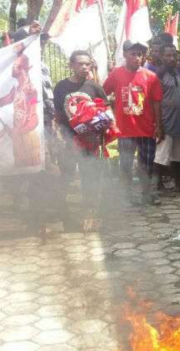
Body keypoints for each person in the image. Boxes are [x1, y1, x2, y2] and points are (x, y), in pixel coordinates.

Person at [53, 50, 111, 223]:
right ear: (71, 65)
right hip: (69, 140)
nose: (85, 67)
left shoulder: (94, 87)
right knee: (66, 177)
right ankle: (64, 214)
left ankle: (89, 214)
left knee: (90, 177)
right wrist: (60, 136)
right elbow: (58, 114)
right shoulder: (61, 87)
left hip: (90, 142)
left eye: (87, 64)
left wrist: (100, 129)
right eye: (80, 64)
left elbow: (106, 111)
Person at [103, 40, 163, 205]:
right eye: (133, 54)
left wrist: (158, 125)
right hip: (125, 130)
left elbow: (157, 101)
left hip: (146, 129)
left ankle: (146, 194)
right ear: (125, 55)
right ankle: (127, 196)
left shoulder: (151, 77)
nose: (137, 57)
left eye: (140, 54)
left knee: (147, 165)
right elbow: (102, 93)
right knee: (126, 166)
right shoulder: (116, 74)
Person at [154, 44, 180, 193]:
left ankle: (178, 183)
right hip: (165, 121)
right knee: (161, 155)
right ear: (161, 57)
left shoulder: (178, 74)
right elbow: (156, 102)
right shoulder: (158, 75)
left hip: (179, 121)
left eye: (173, 55)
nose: (171, 58)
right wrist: (159, 126)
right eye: (168, 55)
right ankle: (157, 184)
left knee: (177, 155)